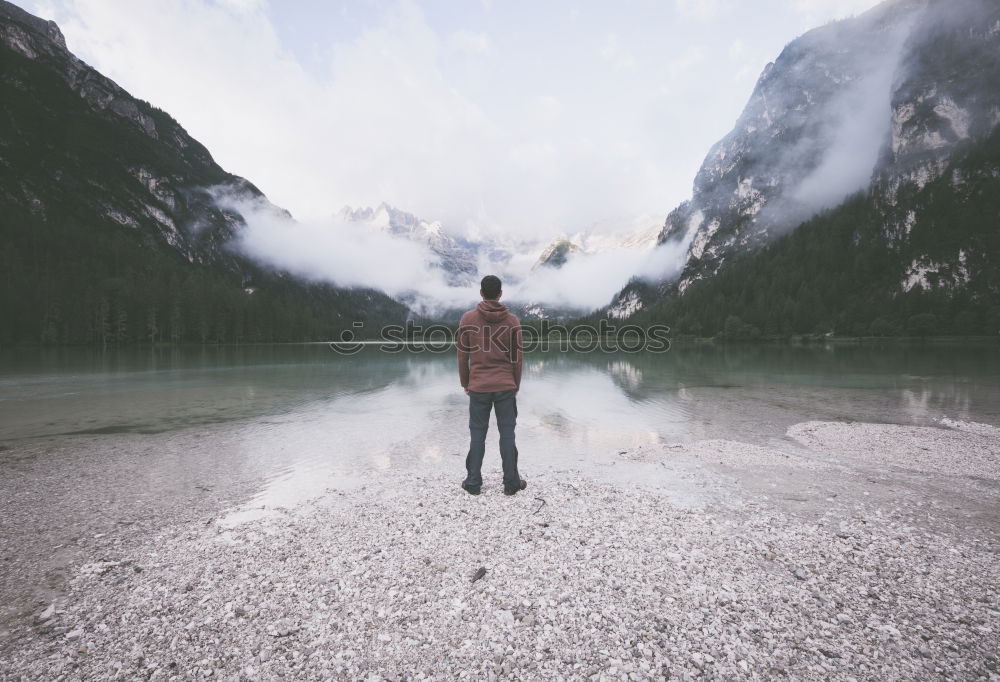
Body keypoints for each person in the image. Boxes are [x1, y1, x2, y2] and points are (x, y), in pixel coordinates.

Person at [456, 275, 526, 496]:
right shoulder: (512, 321)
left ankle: (474, 482)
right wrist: (515, 382)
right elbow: (518, 357)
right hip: (505, 384)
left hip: (478, 386)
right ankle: (511, 483)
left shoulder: (468, 319)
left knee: (477, 434)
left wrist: (465, 382)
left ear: (480, 293)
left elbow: (462, 356)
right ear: (500, 294)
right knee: (507, 434)